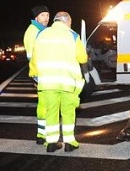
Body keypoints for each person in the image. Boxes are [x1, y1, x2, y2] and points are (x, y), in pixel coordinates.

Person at [29, 11, 88, 153]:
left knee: (51, 112)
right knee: (68, 111)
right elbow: (82, 58)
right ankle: (69, 142)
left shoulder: (41, 34)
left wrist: (34, 75)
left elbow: (34, 58)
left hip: (47, 82)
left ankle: (51, 143)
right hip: (68, 82)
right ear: (67, 21)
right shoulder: (72, 35)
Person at [23, 5, 50, 145]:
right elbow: (31, 55)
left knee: (43, 103)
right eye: (43, 15)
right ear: (36, 18)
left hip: (41, 72)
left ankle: (41, 133)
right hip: (42, 72)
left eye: (47, 15)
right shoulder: (33, 31)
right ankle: (47, 135)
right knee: (48, 103)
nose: (46, 18)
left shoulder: (41, 30)